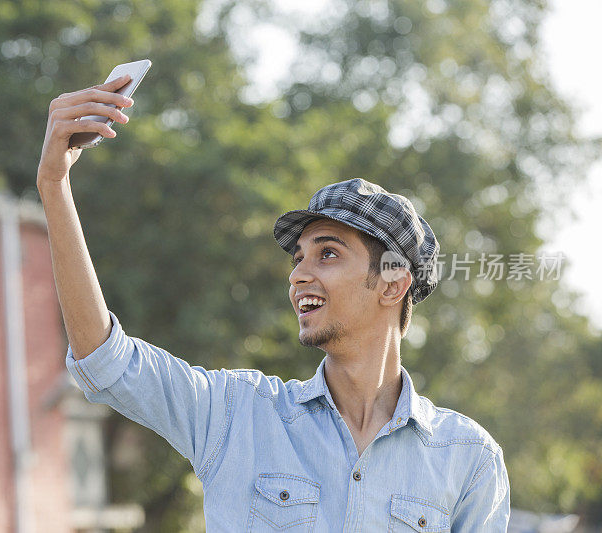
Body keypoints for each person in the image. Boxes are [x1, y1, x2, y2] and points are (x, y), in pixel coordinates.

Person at [37, 74, 510, 531]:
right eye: (298, 257)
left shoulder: (467, 458)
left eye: (328, 254)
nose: (299, 274)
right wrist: (55, 186)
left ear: (391, 284)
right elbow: (105, 360)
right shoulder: (236, 416)